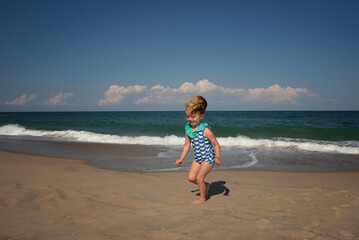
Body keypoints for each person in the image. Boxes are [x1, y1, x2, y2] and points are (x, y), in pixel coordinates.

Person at [175, 96, 221, 204]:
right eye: (188, 116)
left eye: (193, 116)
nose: (190, 119)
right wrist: (181, 158)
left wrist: (217, 157)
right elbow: (187, 145)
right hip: (198, 158)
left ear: (201, 116)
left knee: (199, 178)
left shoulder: (205, 130)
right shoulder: (188, 130)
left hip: (208, 158)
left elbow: (216, 144)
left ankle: (203, 198)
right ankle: (206, 185)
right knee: (191, 178)